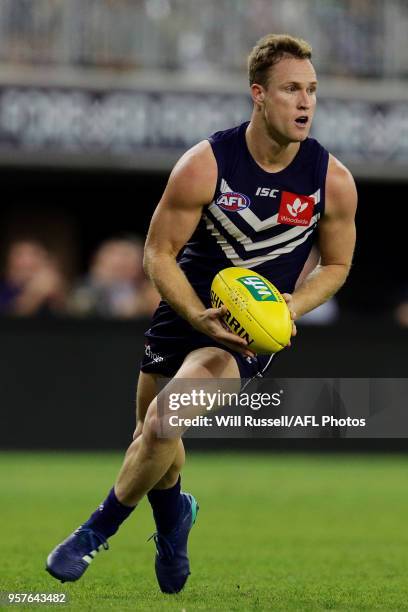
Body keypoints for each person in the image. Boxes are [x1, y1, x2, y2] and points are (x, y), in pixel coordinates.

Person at [46, 34, 357, 593]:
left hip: (244, 335)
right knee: (152, 438)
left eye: (312, 90)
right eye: (291, 89)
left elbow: (336, 266)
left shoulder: (330, 180)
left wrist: (292, 307)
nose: (305, 102)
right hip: (185, 312)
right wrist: (193, 311)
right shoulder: (205, 163)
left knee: (166, 421)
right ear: (258, 94)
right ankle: (174, 522)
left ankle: (92, 533)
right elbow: (156, 252)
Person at [68, 236, 160, 319]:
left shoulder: (148, 291)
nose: (120, 261)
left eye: (126, 258)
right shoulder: (83, 290)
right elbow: (78, 308)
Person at [0, 239, 67, 317]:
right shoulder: (4, 289)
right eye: (19, 254)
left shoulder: (52, 287)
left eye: (34, 254)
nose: (27, 261)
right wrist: (35, 294)